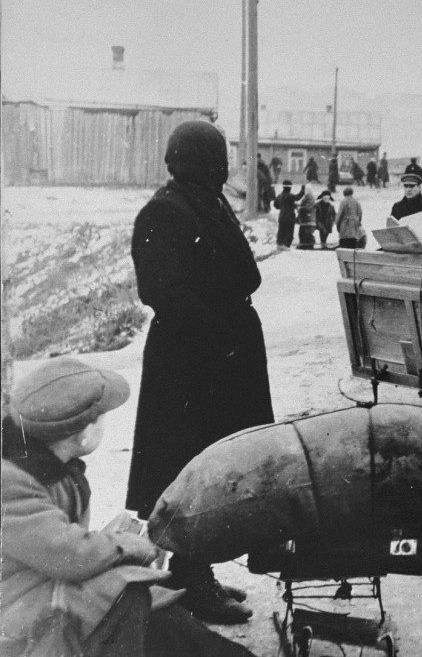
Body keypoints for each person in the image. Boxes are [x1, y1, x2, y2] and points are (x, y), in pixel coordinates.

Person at [1, 358, 257, 657]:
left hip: (39, 585)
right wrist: (132, 546)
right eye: (101, 417)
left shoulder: (47, 464)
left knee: (156, 609)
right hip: (17, 610)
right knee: (128, 593)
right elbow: (69, 554)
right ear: (82, 433)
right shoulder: (11, 483)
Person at [127, 120, 275, 623]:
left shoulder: (209, 203)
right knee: (189, 467)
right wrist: (222, 338)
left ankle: (196, 570)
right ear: (201, 158)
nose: (228, 163)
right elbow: (164, 293)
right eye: (221, 154)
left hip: (223, 357)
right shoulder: (164, 210)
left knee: (218, 465)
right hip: (192, 362)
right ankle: (187, 581)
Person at [273, 179, 305, 248]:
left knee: (281, 231)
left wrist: (283, 207)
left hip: (281, 217)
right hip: (289, 218)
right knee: (289, 232)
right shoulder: (290, 196)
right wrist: (303, 190)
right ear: (290, 187)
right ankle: (286, 245)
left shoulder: (279, 196)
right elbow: (298, 197)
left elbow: (275, 205)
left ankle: (279, 243)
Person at [296, 186, 317, 250]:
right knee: (302, 233)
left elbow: (308, 208)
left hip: (308, 219)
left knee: (307, 234)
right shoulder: (306, 197)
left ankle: (309, 245)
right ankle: (303, 244)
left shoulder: (310, 197)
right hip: (304, 220)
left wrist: (300, 208)